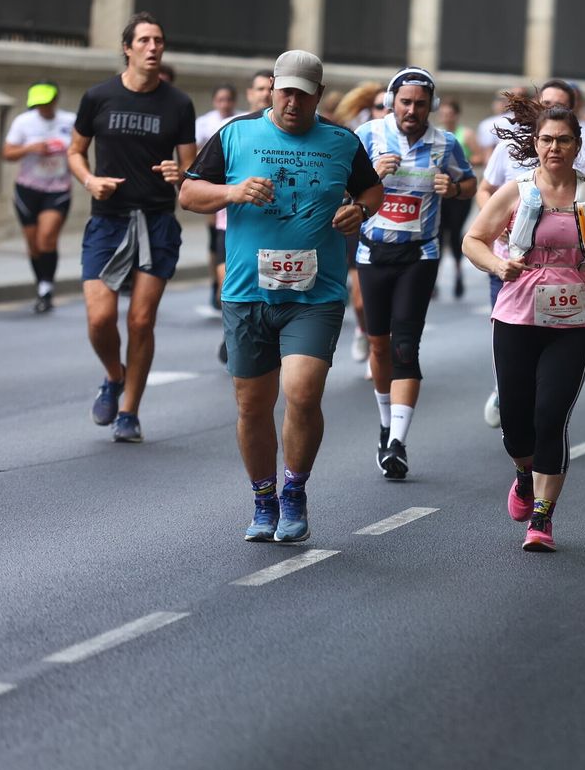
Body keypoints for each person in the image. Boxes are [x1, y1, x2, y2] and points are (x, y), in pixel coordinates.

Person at [182, 50, 384, 544]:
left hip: (315, 294)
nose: (292, 102)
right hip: (247, 292)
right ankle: (263, 497)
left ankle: (295, 489)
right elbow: (189, 195)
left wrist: (359, 210)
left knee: (302, 392)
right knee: (252, 406)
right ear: (272, 88)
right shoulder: (235, 133)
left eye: (303, 93)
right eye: (285, 91)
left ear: (318, 95)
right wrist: (232, 192)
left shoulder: (341, 141)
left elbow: (373, 192)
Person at [463, 93, 585, 551]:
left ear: (578, 146)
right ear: (534, 144)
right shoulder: (516, 191)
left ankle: (542, 518)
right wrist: (498, 267)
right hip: (517, 313)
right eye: (546, 140)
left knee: (551, 416)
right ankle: (523, 473)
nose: (554, 148)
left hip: (572, 316)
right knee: (517, 423)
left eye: (563, 140)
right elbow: (473, 240)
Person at [68, 11, 198, 442]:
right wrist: (89, 180)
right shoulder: (99, 97)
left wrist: (178, 173)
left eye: (158, 40)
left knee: (141, 321)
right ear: (127, 48)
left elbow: (191, 167)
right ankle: (113, 374)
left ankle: (129, 411)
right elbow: (75, 151)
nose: (152, 47)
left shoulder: (178, 104)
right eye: (143, 40)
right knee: (100, 317)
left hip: (157, 221)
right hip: (108, 221)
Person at [355, 67, 476, 479]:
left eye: (420, 104)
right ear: (392, 102)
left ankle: (397, 444)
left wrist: (454, 189)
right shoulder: (368, 135)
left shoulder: (446, 143)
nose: (412, 110)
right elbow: (339, 185)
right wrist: (373, 175)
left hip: (420, 255)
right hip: (372, 253)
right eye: (405, 102)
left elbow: (471, 182)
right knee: (378, 347)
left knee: (405, 346)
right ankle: (385, 422)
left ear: (432, 107)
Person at [2, 81, 76, 313]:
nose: (41, 108)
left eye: (45, 103)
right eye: (37, 104)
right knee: (34, 245)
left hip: (58, 188)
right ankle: (40, 282)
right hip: (28, 189)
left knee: (47, 238)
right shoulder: (23, 123)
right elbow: (7, 153)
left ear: (55, 100)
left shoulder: (69, 121)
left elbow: (78, 151)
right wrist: (29, 149)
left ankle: (46, 287)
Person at [196, 85, 238, 313]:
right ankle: (216, 283)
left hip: (236, 202)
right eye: (220, 99)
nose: (224, 104)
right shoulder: (205, 123)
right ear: (214, 101)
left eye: (228, 99)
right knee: (214, 240)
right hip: (216, 194)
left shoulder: (240, 122)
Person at [437, 98, 474, 300]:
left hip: (460, 190)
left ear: (456, 115)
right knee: (440, 234)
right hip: (442, 190)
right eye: (443, 113)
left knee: (455, 233)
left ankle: (459, 275)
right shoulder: (437, 135)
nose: (446, 117)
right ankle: (436, 279)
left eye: (450, 113)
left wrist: (462, 161)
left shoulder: (465, 134)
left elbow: (480, 156)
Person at [539, 79, 585, 177]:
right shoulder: (513, 144)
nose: (551, 110)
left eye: (559, 106)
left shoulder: (582, 158)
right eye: (546, 103)